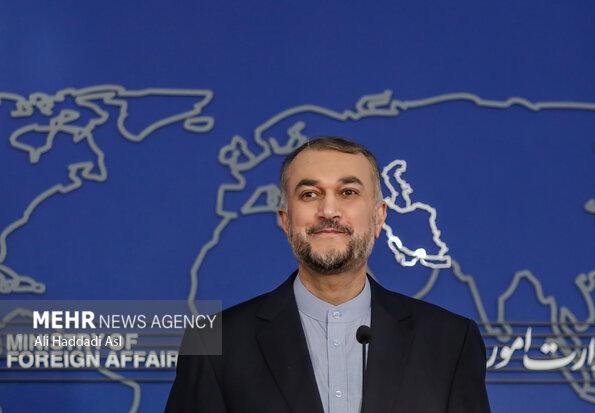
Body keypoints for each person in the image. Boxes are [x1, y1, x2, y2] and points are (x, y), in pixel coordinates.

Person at [166, 137, 491, 412]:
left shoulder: (450, 341)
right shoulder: (211, 341)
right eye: (309, 194)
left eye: (348, 192)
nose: (329, 211)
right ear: (285, 219)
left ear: (379, 217)